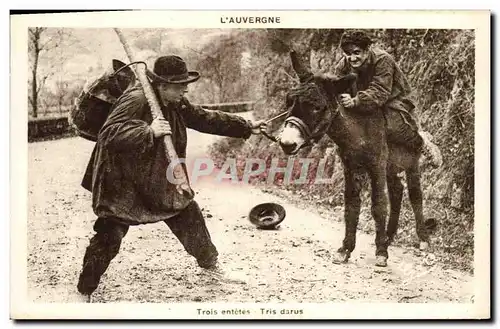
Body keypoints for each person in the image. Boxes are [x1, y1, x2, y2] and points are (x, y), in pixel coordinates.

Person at [75, 55, 267, 302]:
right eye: (179, 85)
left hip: (157, 177)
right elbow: (109, 134)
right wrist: (148, 131)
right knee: (109, 235)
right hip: (123, 183)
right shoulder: (136, 99)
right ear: (162, 85)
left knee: (188, 214)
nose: (185, 89)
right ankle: (85, 289)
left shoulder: (174, 102)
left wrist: (246, 126)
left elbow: (203, 118)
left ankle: (211, 265)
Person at [330, 29, 442, 167]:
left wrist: (355, 101)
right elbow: (337, 87)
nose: (352, 58)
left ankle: (422, 143)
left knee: (394, 127)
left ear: (367, 50)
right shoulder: (343, 66)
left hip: (394, 100)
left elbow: (380, 90)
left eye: (356, 53)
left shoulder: (382, 60)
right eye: (348, 54)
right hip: (364, 103)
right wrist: (343, 97)